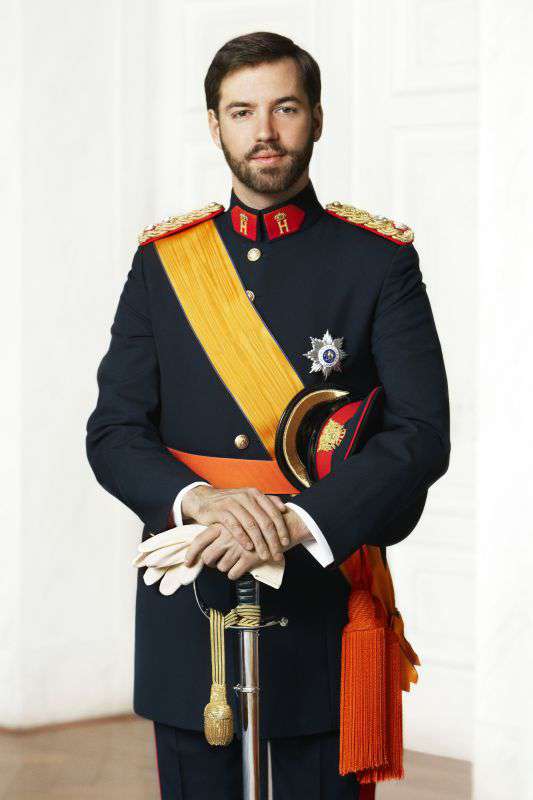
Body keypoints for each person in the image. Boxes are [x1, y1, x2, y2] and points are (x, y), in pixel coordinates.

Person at [86, 30, 450, 800]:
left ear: (316, 118)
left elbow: (420, 434)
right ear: (213, 125)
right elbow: (114, 429)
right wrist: (206, 503)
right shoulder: (165, 262)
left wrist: (295, 523)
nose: (264, 131)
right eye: (241, 110)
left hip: (322, 589)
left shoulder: (377, 261)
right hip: (192, 586)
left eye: (284, 107)